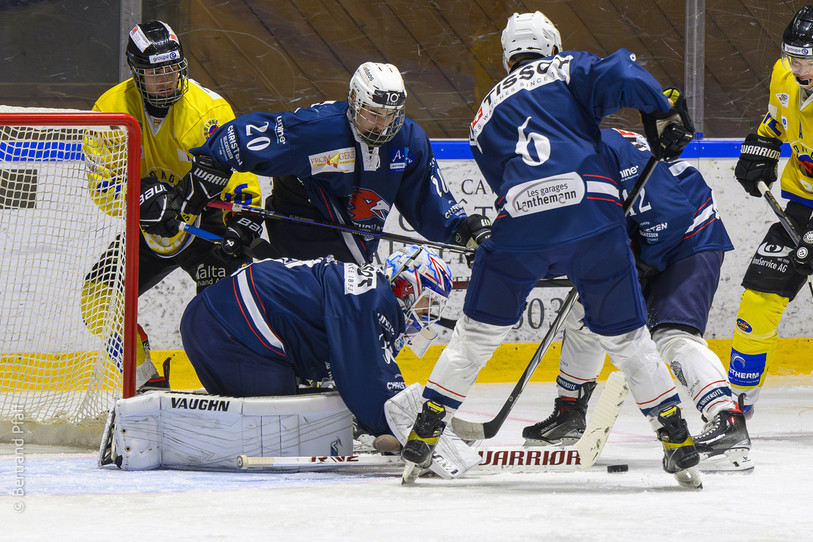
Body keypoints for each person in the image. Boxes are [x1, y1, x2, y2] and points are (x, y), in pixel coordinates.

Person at [394, 11, 701, 487]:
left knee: (474, 339)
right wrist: (662, 107)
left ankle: (422, 440)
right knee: (628, 342)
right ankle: (679, 445)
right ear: (551, 45)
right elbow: (621, 72)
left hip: (520, 223)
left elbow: (504, 180)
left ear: (507, 57)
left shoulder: (480, 117)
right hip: (592, 215)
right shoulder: (567, 67)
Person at [522, 128, 752, 470]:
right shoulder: (553, 153)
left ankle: (727, 418)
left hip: (688, 235)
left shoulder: (603, 145)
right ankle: (570, 411)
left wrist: (643, 264)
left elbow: (668, 214)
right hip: (642, 240)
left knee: (671, 335)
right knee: (584, 315)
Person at [81, 20, 262, 390]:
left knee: (224, 308)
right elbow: (102, 187)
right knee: (97, 295)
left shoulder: (208, 110)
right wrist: (140, 198)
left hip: (205, 224)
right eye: (155, 73)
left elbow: (239, 179)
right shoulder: (110, 109)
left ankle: (239, 384)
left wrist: (246, 221)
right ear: (136, 74)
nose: (167, 80)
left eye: (172, 70)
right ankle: (145, 376)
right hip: (149, 227)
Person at [187, 61, 491, 266]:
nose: (382, 125)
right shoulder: (319, 130)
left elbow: (427, 198)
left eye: (390, 115)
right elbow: (244, 137)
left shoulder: (409, 141)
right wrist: (209, 170)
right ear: (354, 101)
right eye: (373, 113)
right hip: (300, 242)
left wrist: (461, 231)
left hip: (354, 256)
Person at [179, 246, 451, 443]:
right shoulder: (369, 297)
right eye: (429, 299)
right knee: (279, 434)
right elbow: (364, 373)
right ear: (407, 284)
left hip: (216, 321)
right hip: (227, 326)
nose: (428, 313)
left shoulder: (367, 291)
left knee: (286, 422)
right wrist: (395, 425)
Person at [729, 5, 813, 419]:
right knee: (759, 297)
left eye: (806, 58)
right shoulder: (785, 76)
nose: (796, 66)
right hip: (800, 208)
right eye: (792, 55)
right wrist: (760, 150)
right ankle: (737, 403)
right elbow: (776, 122)